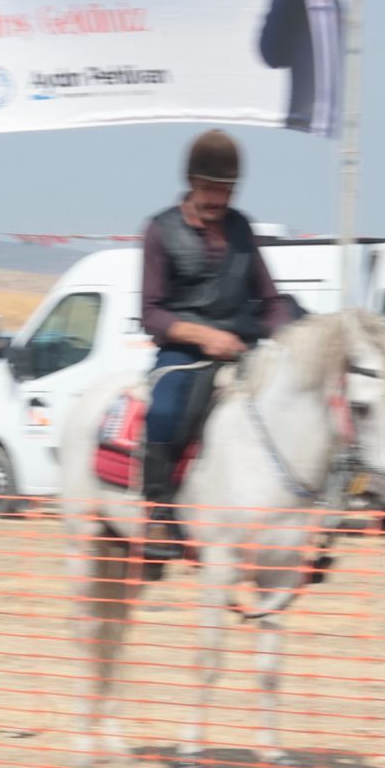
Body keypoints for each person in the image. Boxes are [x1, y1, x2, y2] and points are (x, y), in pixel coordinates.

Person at [138, 130, 297, 561]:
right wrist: (205, 336)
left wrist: (289, 333)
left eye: (225, 190)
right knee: (165, 409)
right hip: (183, 353)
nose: (217, 199)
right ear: (191, 182)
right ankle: (157, 512)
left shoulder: (242, 229)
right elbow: (151, 313)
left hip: (242, 346)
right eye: (209, 188)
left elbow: (270, 300)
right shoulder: (159, 231)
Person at [257, 0, 345, 138]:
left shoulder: (340, 8)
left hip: (339, 135)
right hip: (302, 134)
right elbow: (271, 55)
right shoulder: (292, 3)